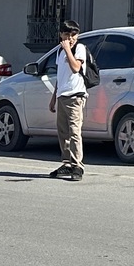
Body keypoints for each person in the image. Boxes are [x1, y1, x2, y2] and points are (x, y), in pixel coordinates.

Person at [49, 20, 88, 180]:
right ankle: (66, 163)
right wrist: (53, 97)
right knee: (63, 132)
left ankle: (77, 165)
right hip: (62, 95)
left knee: (74, 131)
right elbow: (61, 76)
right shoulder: (59, 52)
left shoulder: (79, 49)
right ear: (61, 35)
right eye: (67, 35)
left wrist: (67, 50)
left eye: (73, 35)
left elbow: (75, 68)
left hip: (75, 96)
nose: (70, 38)